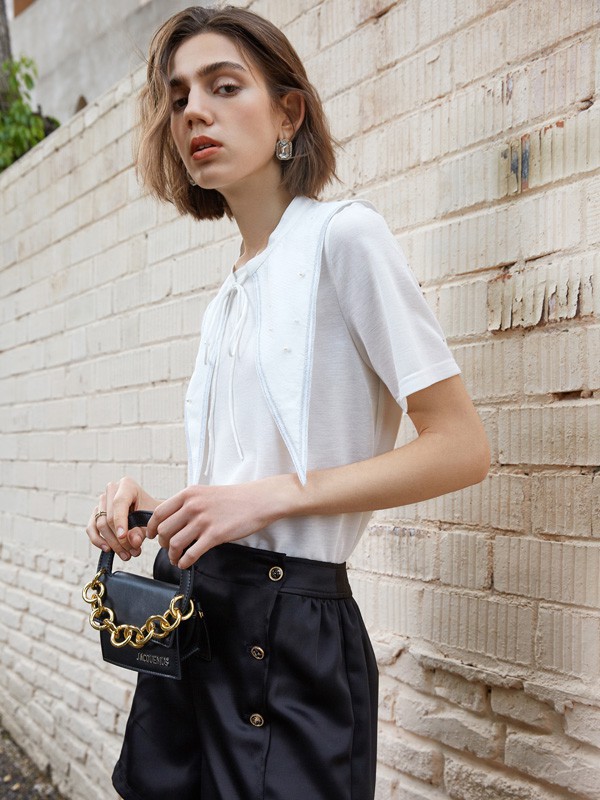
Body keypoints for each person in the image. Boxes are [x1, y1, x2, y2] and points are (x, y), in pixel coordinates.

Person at [85, 6, 490, 800]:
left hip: (288, 631)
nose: (193, 111)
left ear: (288, 113)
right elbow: (247, 490)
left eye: (223, 86)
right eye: (178, 97)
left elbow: (462, 447)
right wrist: (156, 511)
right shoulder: (230, 292)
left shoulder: (344, 238)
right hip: (193, 614)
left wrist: (271, 497)